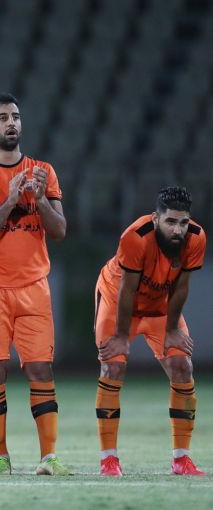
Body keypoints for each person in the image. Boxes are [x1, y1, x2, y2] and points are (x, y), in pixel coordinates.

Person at [0, 93, 69, 476]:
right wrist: (9, 202)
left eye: (16, 117)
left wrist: (40, 201)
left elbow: (59, 231)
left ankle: (49, 457)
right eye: (3, 118)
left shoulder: (43, 172)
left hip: (34, 285)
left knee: (41, 370)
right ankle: (0, 457)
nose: (12, 123)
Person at [95, 187, 206, 476]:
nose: (178, 230)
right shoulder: (135, 236)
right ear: (156, 219)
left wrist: (172, 328)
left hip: (160, 306)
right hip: (118, 301)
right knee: (112, 368)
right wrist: (121, 337)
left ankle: (181, 459)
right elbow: (127, 290)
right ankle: (109, 459)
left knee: (182, 367)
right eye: (171, 222)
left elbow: (181, 286)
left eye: (183, 222)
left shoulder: (196, 237)